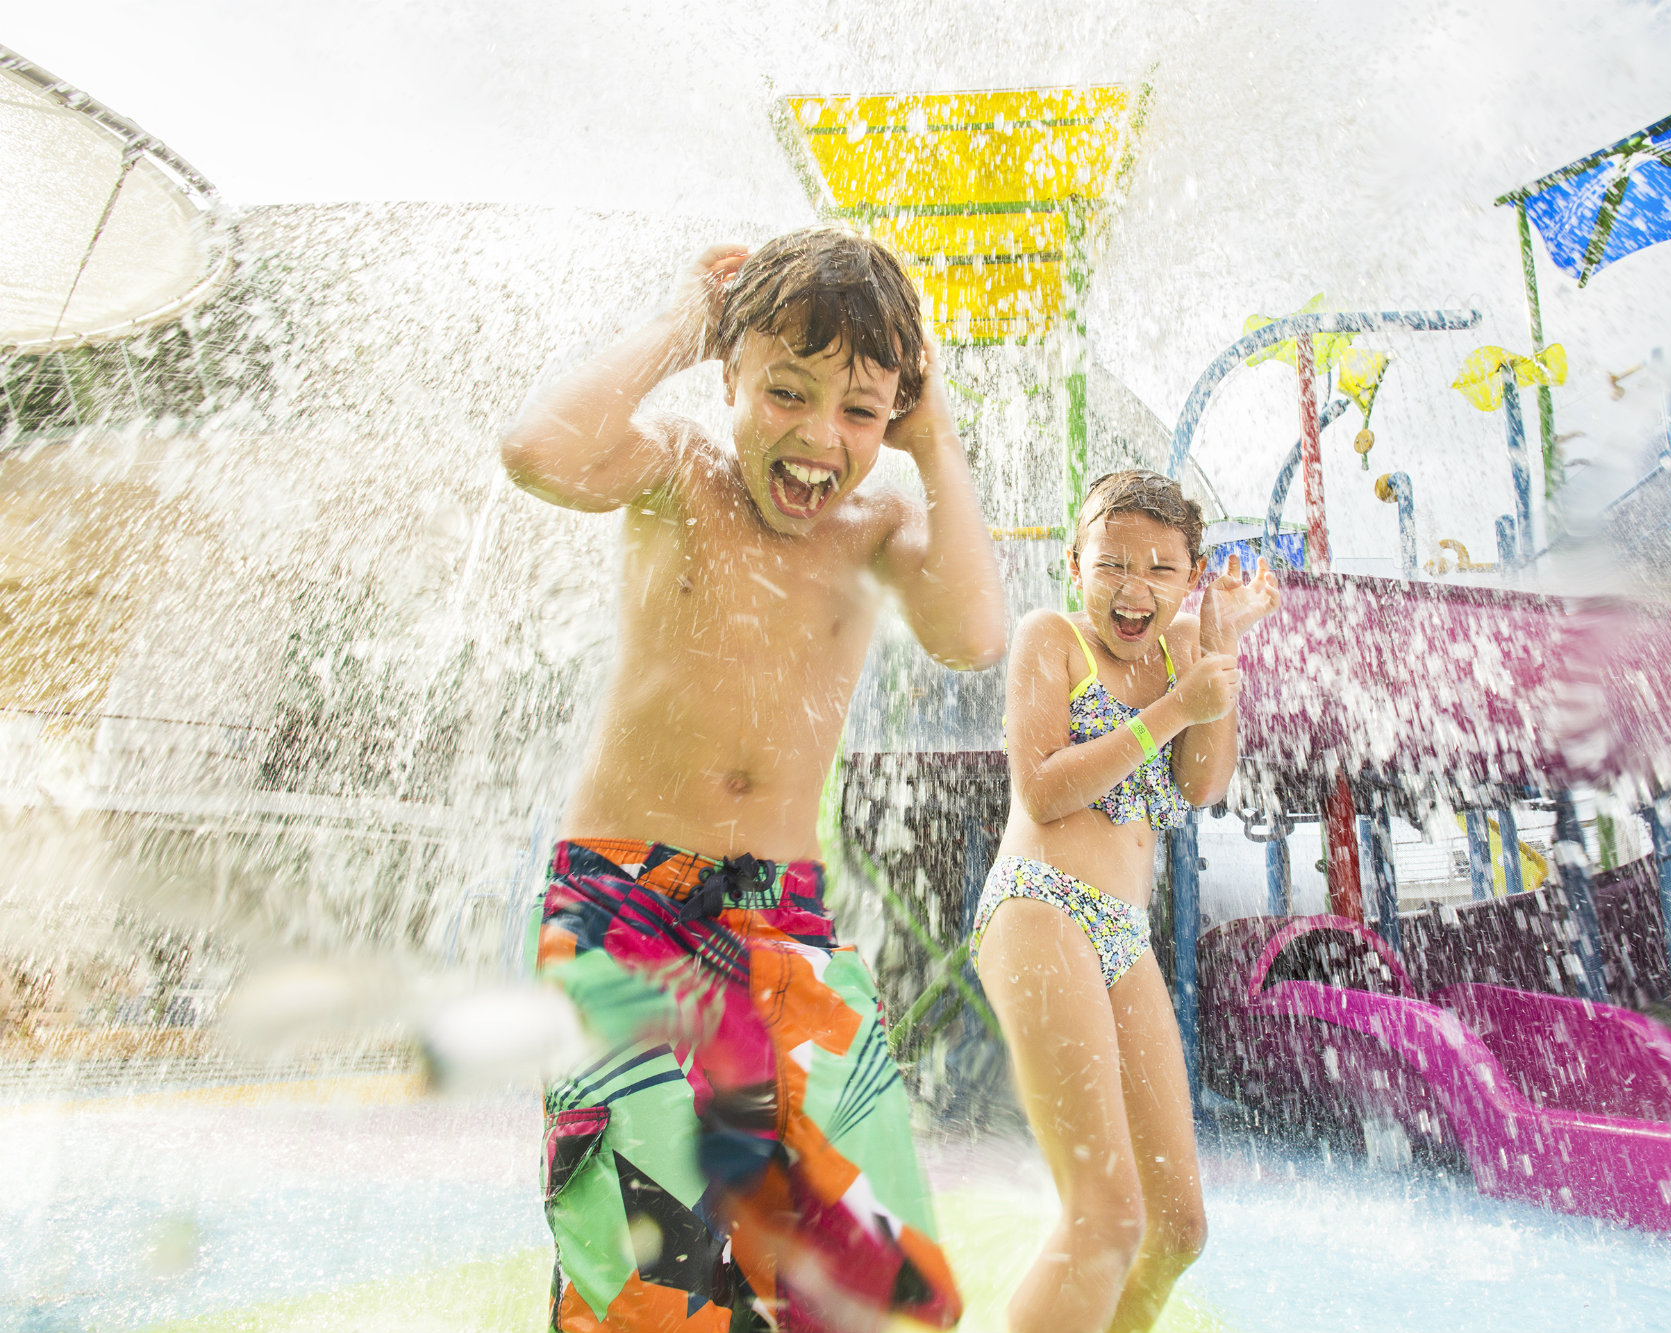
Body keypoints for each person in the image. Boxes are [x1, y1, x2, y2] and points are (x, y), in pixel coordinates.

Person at [503, 228, 1004, 1333]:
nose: (819, 437)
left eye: (861, 410)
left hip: (784, 923)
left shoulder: (877, 524)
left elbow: (972, 634)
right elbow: (536, 451)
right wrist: (684, 321)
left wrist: (936, 441)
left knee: (870, 1284)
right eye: (786, 391)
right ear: (728, 374)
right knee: (651, 1285)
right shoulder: (681, 472)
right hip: (625, 900)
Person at [972, 471, 1279, 1333]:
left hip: (1121, 931)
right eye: (1111, 563)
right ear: (1075, 564)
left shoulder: (1184, 650)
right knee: (1105, 1215)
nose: (1133, 588)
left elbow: (1202, 783)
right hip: (1039, 906)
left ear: (1191, 576)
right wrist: (1175, 707)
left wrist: (1217, 648)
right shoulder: (1054, 637)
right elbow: (1041, 791)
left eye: (1160, 568)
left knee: (1178, 1229)